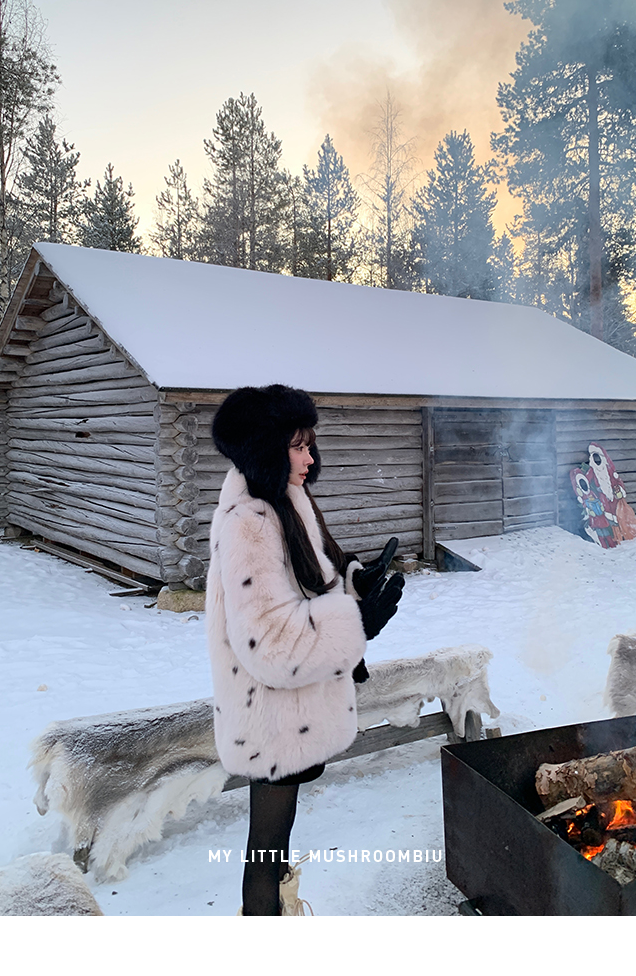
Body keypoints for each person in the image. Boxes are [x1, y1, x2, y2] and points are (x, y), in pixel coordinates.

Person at [207, 383, 404, 915]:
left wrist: (358, 583)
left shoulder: (285, 499)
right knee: (265, 848)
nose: (310, 458)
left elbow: (311, 581)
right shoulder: (249, 522)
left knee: (276, 843)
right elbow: (270, 640)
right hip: (271, 714)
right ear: (267, 450)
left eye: (309, 445)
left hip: (294, 709)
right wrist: (355, 623)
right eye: (298, 446)